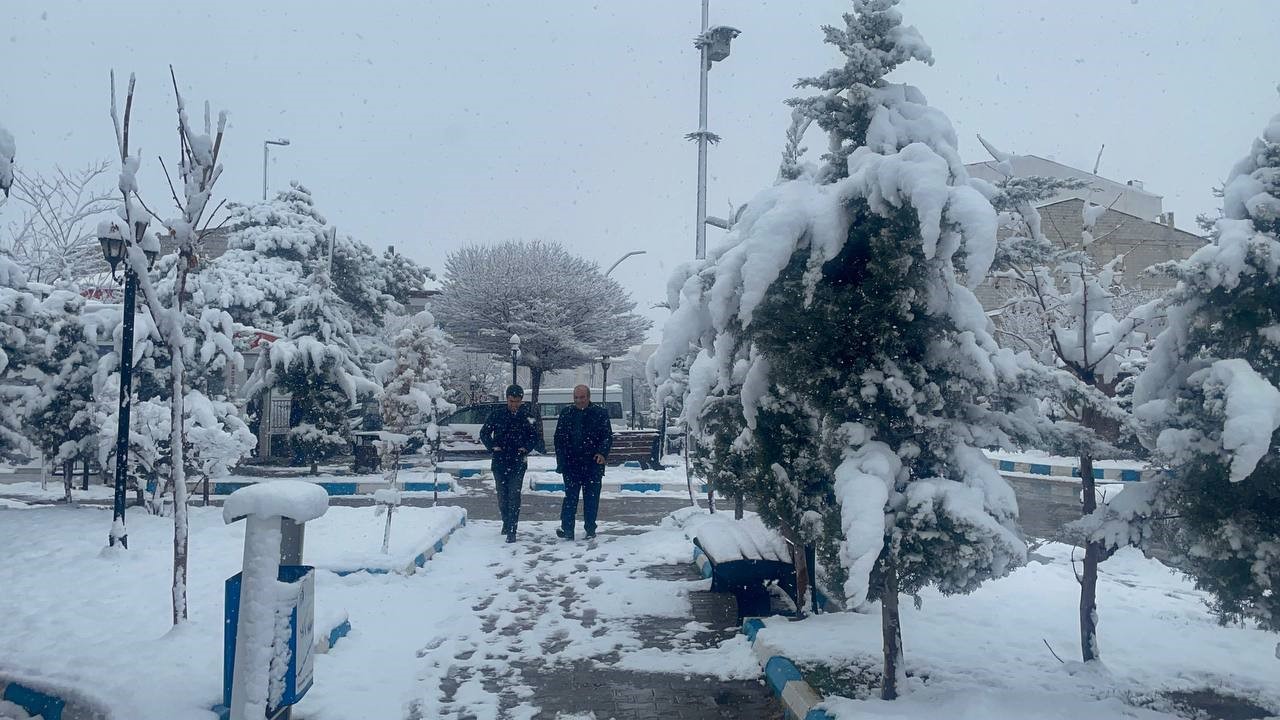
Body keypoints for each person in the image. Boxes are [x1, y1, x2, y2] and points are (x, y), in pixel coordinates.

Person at [480, 384, 541, 543]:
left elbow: (535, 436)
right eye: (512, 401)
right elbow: (484, 433)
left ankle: (512, 529)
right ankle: (506, 522)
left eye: (517, 401)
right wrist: (492, 446)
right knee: (502, 496)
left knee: (514, 494)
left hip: (518, 461)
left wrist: (525, 448)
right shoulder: (497, 415)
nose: (514, 404)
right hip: (500, 461)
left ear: (521, 400)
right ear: (507, 399)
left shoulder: (527, 416)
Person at [553, 384, 613, 540]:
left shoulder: (599, 413)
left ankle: (590, 529)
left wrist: (602, 453)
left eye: (582, 397)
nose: (579, 401)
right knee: (570, 498)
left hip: (592, 464)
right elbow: (558, 438)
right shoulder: (566, 413)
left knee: (591, 499)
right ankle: (567, 529)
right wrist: (561, 460)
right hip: (571, 464)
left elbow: (607, 436)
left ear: (588, 397)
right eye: (576, 398)